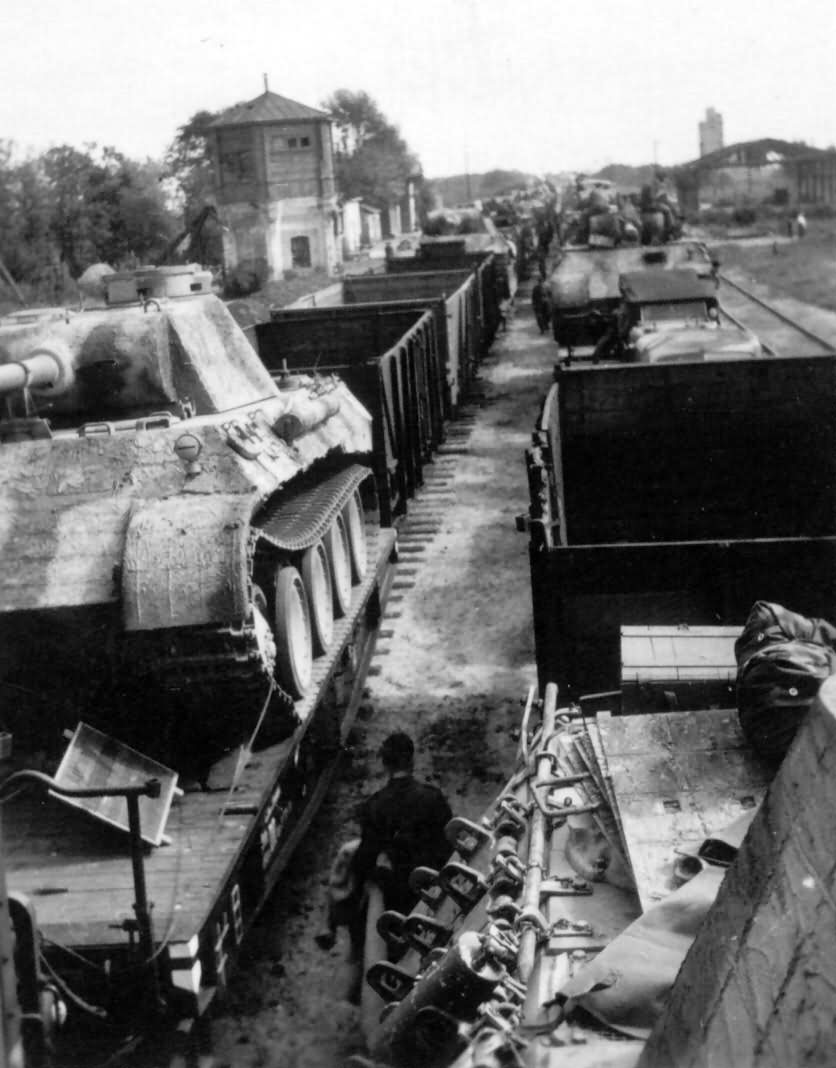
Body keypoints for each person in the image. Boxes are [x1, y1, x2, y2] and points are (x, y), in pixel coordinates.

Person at [352, 731, 452, 916]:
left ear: (385, 765)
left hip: (397, 895)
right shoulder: (433, 797)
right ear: (412, 761)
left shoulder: (375, 805)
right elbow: (450, 844)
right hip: (435, 888)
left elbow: (364, 859)